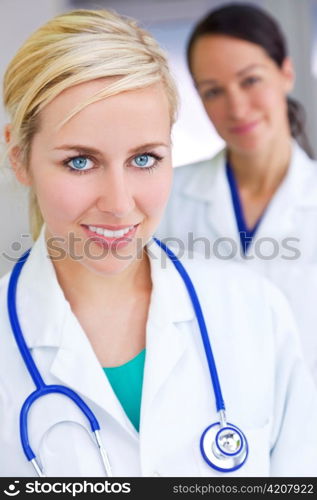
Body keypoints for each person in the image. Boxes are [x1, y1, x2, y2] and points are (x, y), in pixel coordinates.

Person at [0, 8, 316, 478]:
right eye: (80, 162)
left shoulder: (255, 313)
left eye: (144, 158)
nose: (120, 203)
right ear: (20, 157)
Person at [156, 3, 317, 385]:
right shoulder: (164, 196)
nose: (237, 108)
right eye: (213, 92)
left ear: (286, 73)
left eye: (250, 81)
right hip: (202, 421)